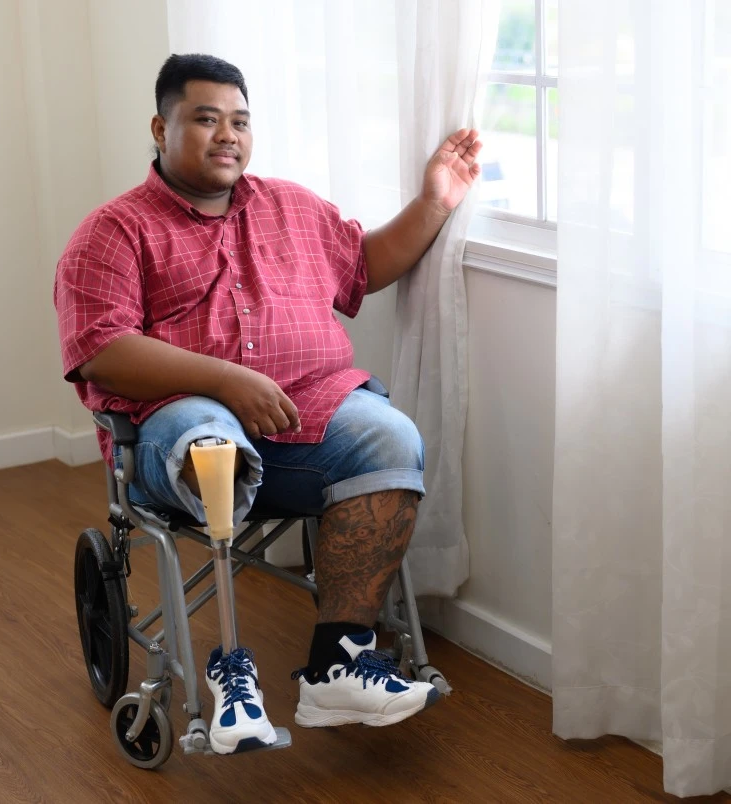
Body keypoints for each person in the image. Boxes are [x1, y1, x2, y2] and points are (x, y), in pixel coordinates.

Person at [54, 53, 481, 755]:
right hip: (177, 431)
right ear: (160, 128)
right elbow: (101, 348)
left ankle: (337, 664)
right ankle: (230, 676)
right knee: (209, 433)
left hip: (303, 422)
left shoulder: (292, 208)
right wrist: (224, 380)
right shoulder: (112, 232)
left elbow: (364, 267)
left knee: (389, 438)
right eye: (206, 119)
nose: (228, 135)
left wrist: (437, 199)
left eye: (240, 121)